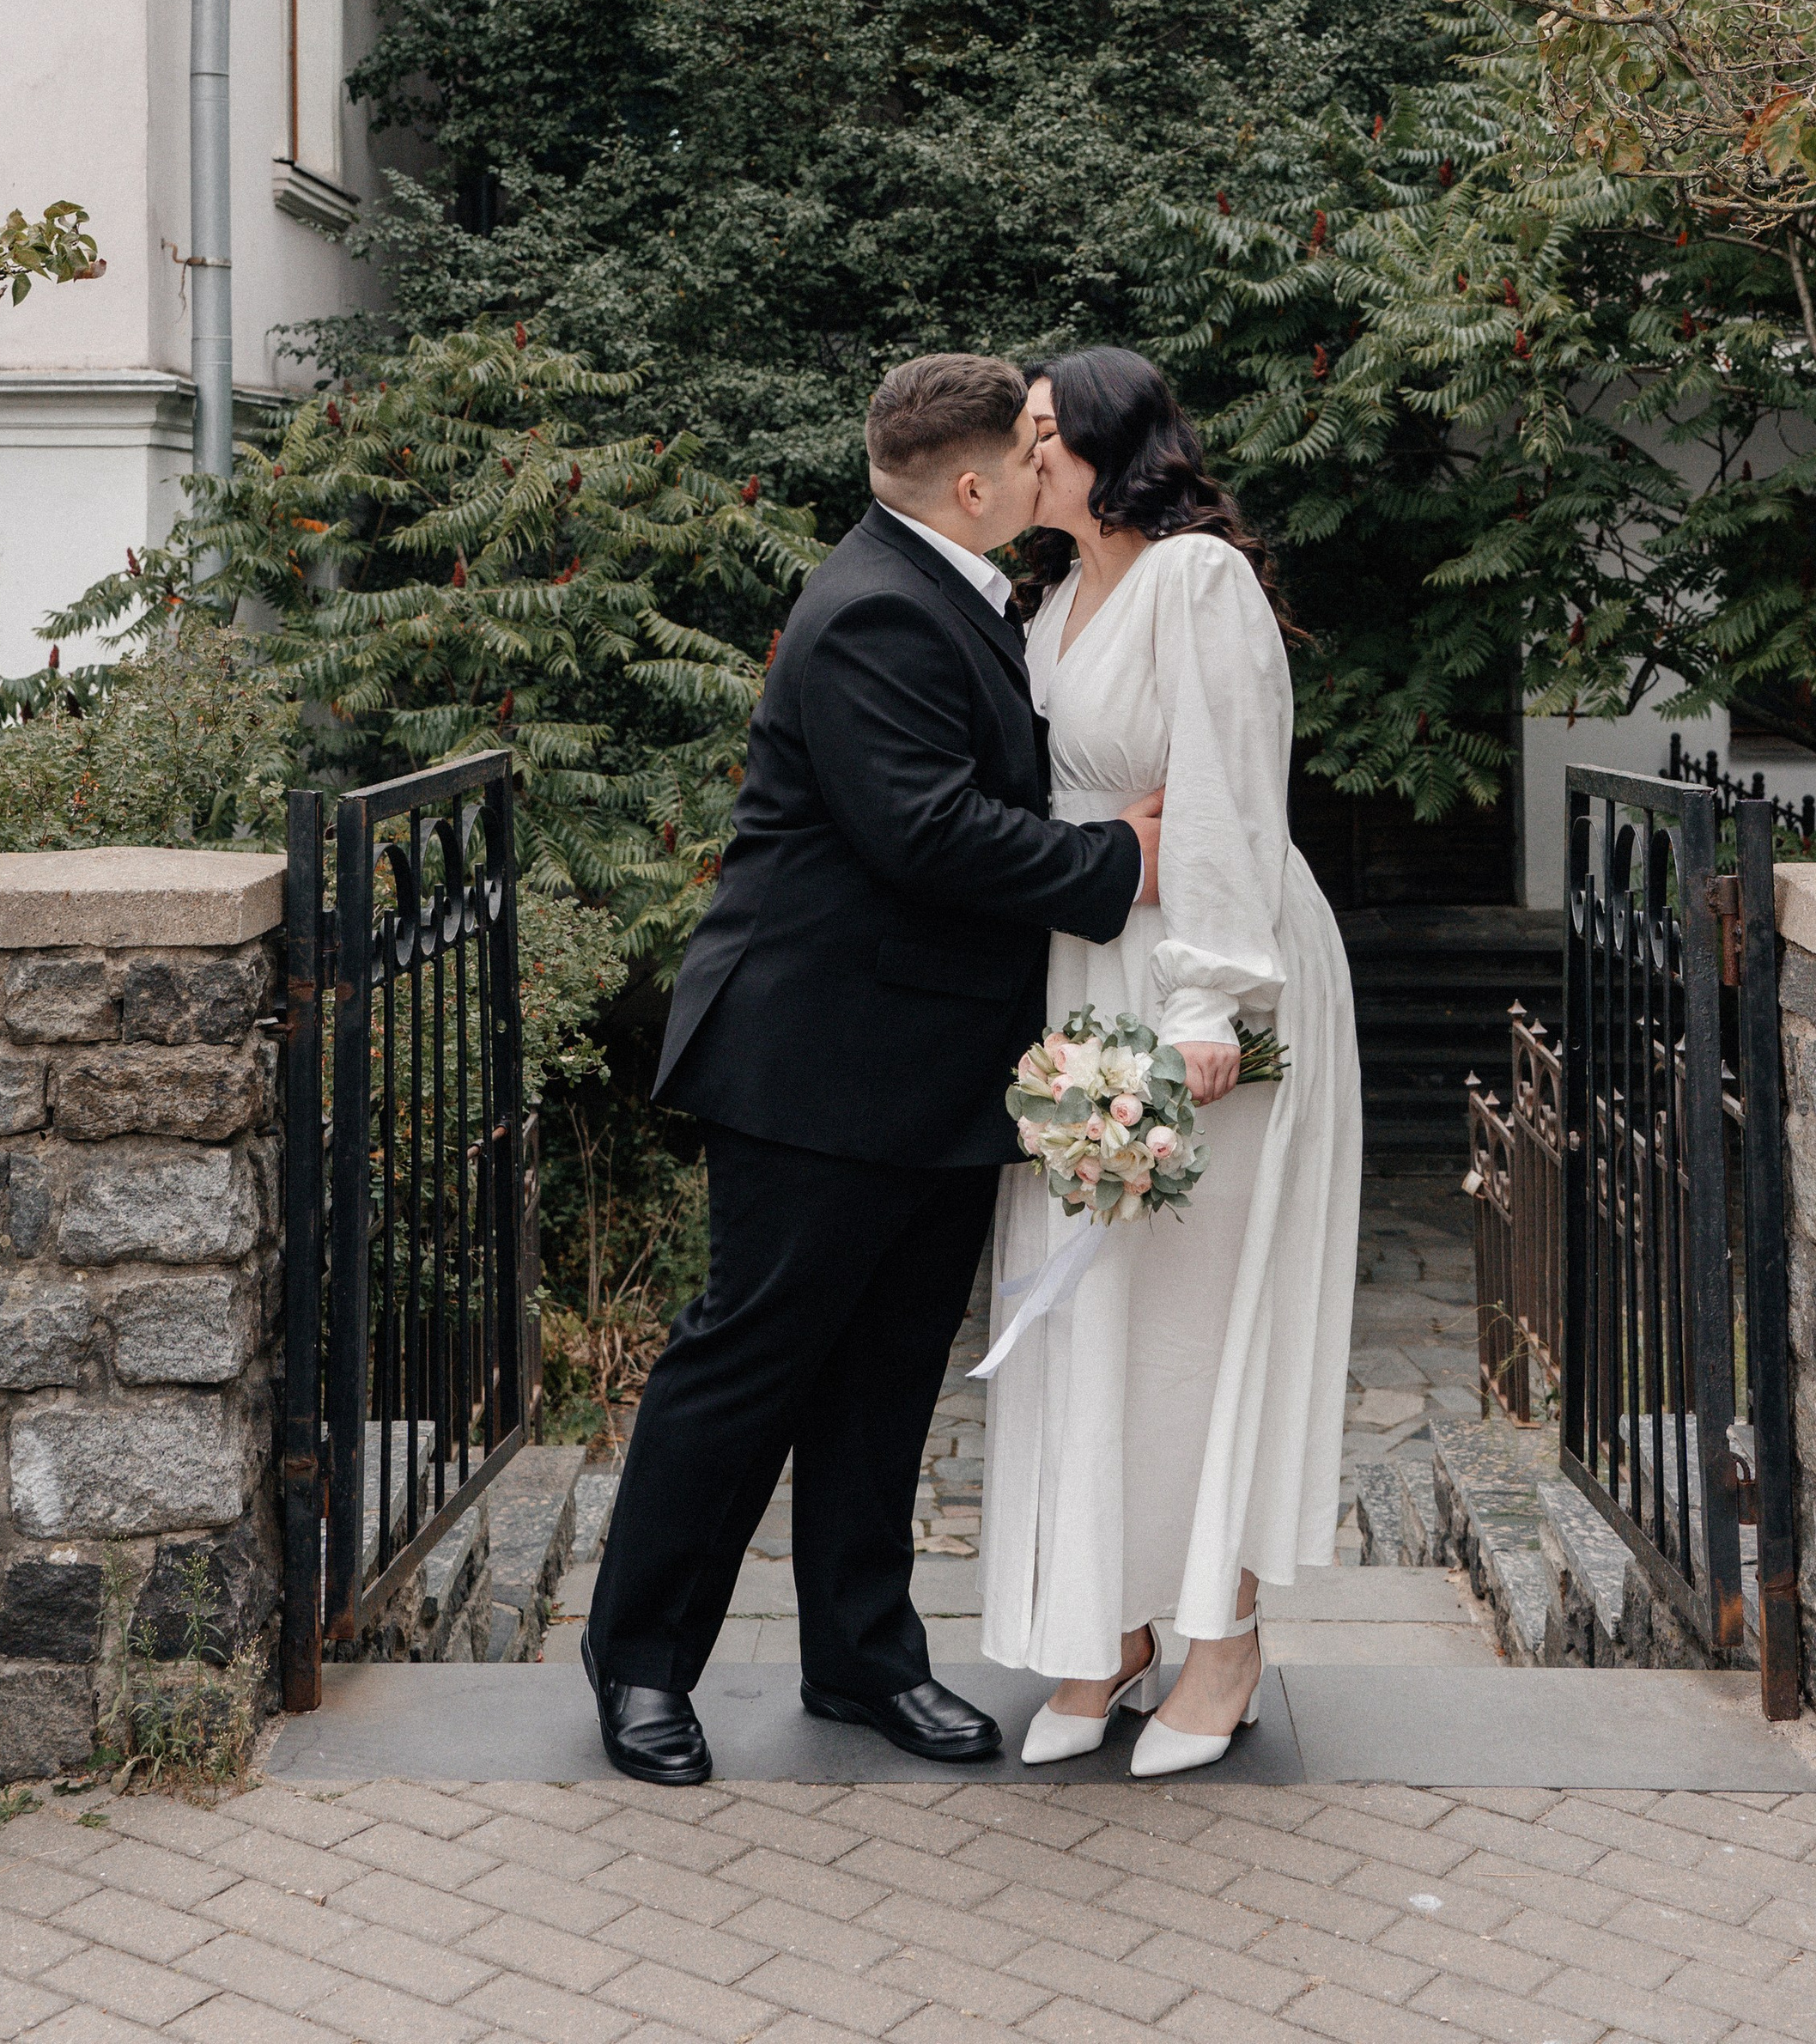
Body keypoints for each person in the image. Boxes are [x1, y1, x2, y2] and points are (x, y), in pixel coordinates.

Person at [582, 350, 1162, 1784]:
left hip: (935, 1062)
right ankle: (642, 1667)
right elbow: (930, 832)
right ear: (972, 487)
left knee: (887, 1378)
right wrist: (1121, 863)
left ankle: (861, 1662)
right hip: (816, 1062)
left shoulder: (960, 593)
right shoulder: (873, 615)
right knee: (745, 1369)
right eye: (1029, 452)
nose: (1050, 463)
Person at [977, 347, 1361, 1774]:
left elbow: (1227, 791)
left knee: (1201, 1310)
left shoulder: (1200, 581)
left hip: (1210, 961)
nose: (1020, 463)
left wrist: (1209, 1006)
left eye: (1037, 437)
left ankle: (1224, 1641)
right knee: (1090, 1312)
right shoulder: (1056, 598)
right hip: (1088, 964)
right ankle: (1113, 1630)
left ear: (1098, 446)